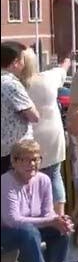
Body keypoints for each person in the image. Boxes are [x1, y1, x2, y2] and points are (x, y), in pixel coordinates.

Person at [1, 140, 71, 262]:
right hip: (6, 231)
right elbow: (12, 220)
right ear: (14, 162)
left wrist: (58, 220)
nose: (31, 164)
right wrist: (49, 220)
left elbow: (48, 213)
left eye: (35, 159)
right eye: (25, 160)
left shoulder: (43, 180)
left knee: (62, 227)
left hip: (30, 228)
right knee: (29, 232)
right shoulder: (6, 181)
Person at [18, 49, 71, 214]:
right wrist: (68, 57)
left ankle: (35, 216)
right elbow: (63, 69)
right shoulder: (47, 78)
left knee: (28, 179)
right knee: (55, 176)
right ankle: (59, 215)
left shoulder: (15, 85)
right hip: (53, 135)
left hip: (29, 136)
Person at [1, 41, 38, 175]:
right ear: (15, 62)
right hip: (17, 152)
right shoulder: (11, 84)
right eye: (23, 59)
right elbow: (34, 116)